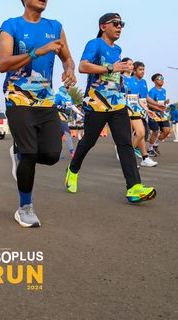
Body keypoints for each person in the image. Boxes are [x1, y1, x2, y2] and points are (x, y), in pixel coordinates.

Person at [0, 0, 76, 228]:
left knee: (52, 155)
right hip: (18, 97)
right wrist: (35, 52)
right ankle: (25, 208)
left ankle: (19, 153)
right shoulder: (11, 25)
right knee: (30, 153)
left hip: (45, 100)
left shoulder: (55, 27)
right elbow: (3, 64)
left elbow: (67, 58)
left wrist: (69, 69)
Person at [64, 13, 156, 204]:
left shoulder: (118, 49)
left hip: (117, 104)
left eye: (121, 23)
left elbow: (114, 72)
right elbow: (83, 67)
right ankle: (72, 170)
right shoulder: (95, 44)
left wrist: (120, 76)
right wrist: (111, 69)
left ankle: (134, 188)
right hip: (96, 103)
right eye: (115, 23)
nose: (119, 26)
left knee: (124, 143)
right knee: (88, 141)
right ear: (103, 26)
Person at [123, 61, 157, 167]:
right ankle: (129, 158)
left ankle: (142, 158)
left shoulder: (136, 81)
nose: (143, 71)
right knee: (130, 135)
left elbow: (139, 98)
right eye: (129, 65)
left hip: (137, 110)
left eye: (131, 65)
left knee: (141, 133)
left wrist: (147, 109)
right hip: (125, 110)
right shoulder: (121, 78)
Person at [146, 73, 170, 157]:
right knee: (155, 132)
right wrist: (158, 108)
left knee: (167, 131)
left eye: (162, 78)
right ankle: (150, 149)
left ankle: (155, 145)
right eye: (159, 78)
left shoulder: (164, 91)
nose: (161, 80)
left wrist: (165, 102)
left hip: (162, 114)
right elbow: (149, 104)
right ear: (154, 81)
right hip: (154, 113)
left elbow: (160, 103)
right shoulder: (152, 91)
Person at [55, 86, 82, 158]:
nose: (67, 89)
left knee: (58, 136)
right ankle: (72, 152)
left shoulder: (69, 97)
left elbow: (72, 106)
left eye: (68, 88)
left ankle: (56, 154)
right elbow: (53, 105)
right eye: (66, 87)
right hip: (59, 116)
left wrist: (80, 113)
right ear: (62, 88)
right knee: (67, 133)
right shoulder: (58, 95)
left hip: (65, 117)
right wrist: (62, 107)